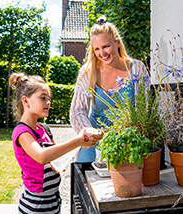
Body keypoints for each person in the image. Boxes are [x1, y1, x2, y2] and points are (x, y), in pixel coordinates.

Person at [10, 72, 103, 214]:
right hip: (35, 205)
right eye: (43, 98)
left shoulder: (45, 129)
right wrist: (77, 140)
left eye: (48, 99)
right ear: (26, 101)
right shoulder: (22, 132)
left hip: (53, 200)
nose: (48, 102)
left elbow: (56, 157)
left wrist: (83, 141)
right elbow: (42, 156)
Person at [70, 16, 149, 163]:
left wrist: (128, 135)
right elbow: (77, 111)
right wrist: (92, 133)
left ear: (117, 43)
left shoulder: (137, 68)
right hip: (95, 141)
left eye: (106, 46)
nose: (102, 53)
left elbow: (143, 109)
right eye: (97, 49)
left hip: (129, 140)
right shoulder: (88, 72)